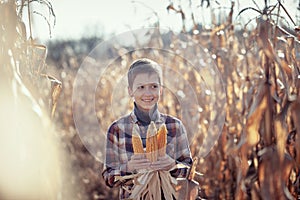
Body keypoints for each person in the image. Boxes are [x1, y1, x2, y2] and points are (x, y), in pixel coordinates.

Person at [102, 58, 193, 199]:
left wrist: (172, 165)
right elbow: (109, 177)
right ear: (130, 91)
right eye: (141, 87)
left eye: (154, 86)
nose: (148, 93)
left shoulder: (175, 126)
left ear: (161, 90)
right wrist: (128, 167)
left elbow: (188, 169)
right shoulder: (117, 130)